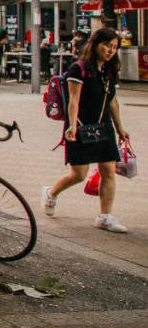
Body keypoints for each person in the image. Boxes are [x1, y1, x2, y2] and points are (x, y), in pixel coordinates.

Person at [41, 27, 133, 233]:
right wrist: (72, 126)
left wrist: (120, 128)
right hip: (81, 125)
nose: (110, 51)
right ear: (95, 44)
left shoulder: (109, 71)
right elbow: (74, 100)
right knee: (79, 174)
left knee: (108, 171)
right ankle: (51, 193)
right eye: (107, 46)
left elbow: (113, 102)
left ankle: (105, 216)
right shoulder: (79, 69)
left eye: (114, 48)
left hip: (104, 125)